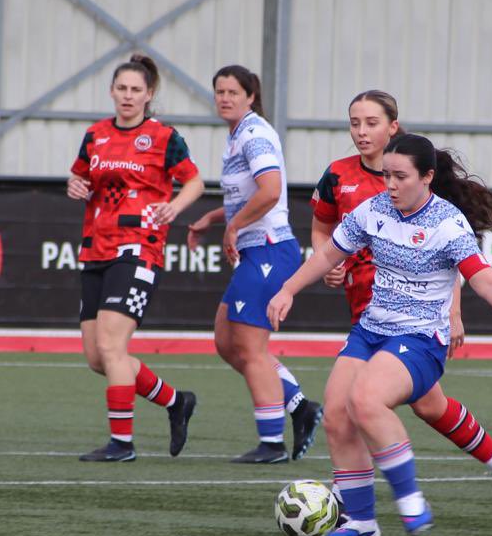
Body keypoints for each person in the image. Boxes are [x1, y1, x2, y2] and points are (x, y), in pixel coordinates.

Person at [268, 134, 492, 536]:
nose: (390, 185)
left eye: (400, 176)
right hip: (371, 330)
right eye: (385, 175)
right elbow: (330, 254)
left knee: (366, 399)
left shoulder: (447, 223)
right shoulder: (374, 210)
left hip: (420, 338)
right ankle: (363, 523)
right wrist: (288, 289)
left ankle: (410, 499)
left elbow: (484, 279)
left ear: (427, 177)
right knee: (336, 413)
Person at [310, 90, 492, 520]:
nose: (361, 131)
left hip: (416, 318)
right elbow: (322, 233)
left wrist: (454, 312)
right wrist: (328, 265)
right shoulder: (337, 175)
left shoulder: (409, 177)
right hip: (369, 311)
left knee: (368, 402)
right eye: (354, 122)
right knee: (426, 406)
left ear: (393, 127)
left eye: (371, 123)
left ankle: (358, 499)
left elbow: (450, 259)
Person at [68, 54, 205, 462]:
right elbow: (80, 176)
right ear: (112, 91)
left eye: (136, 90)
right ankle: (176, 401)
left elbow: (194, 181)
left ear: (149, 95)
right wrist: (75, 185)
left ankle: (122, 444)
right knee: (99, 358)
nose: (128, 96)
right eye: (122, 88)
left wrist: (176, 206)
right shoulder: (95, 135)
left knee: (112, 346)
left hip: (137, 247)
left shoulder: (163, 136)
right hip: (95, 247)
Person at [185, 66, 322, 464]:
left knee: (249, 347)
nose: (225, 97)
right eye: (219, 91)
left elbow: (271, 191)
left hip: (268, 249)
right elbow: (246, 200)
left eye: (233, 91)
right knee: (227, 342)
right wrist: (213, 221)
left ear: (250, 96)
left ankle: (272, 444)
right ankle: (300, 406)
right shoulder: (237, 135)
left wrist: (234, 228)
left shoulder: (255, 133)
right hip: (256, 249)